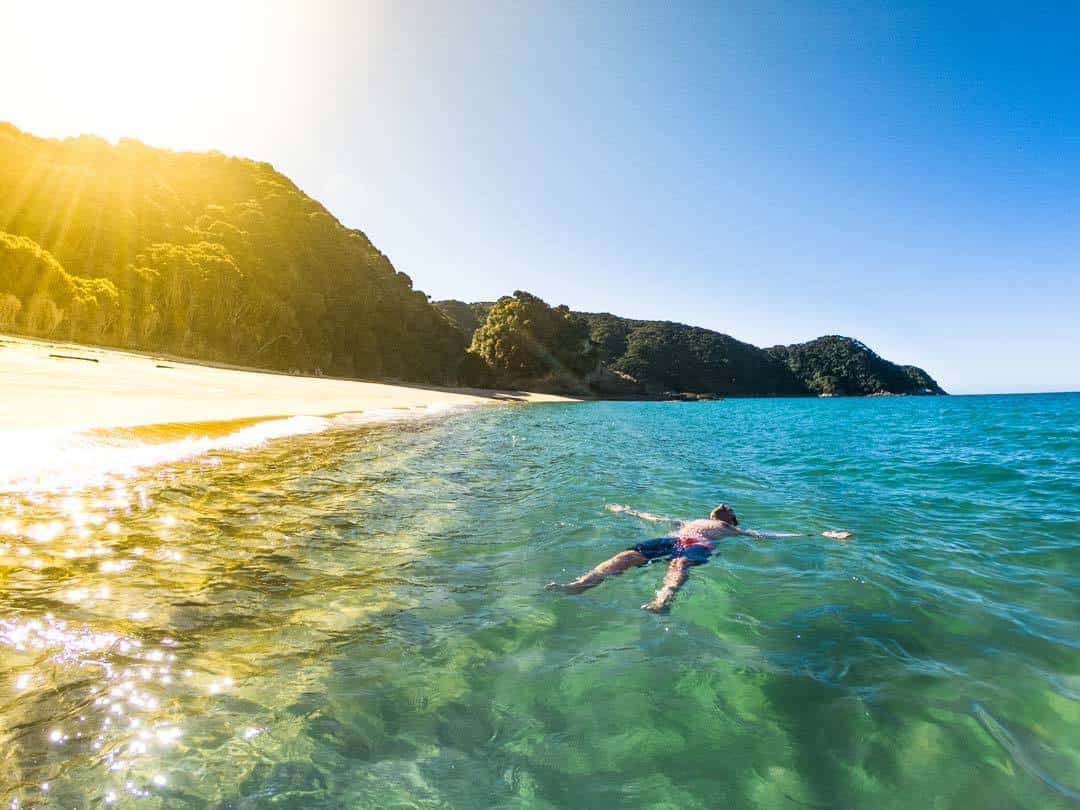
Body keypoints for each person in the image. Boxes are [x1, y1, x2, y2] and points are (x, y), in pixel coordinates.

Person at [545, 503, 851, 613]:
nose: (723, 505)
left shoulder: (732, 529)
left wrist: (821, 535)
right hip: (673, 538)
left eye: (728, 508)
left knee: (679, 564)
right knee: (627, 555)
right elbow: (656, 517)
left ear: (731, 519)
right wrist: (626, 511)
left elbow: (770, 535)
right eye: (722, 506)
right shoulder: (688, 520)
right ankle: (580, 584)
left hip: (699, 545)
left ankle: (662, 601)